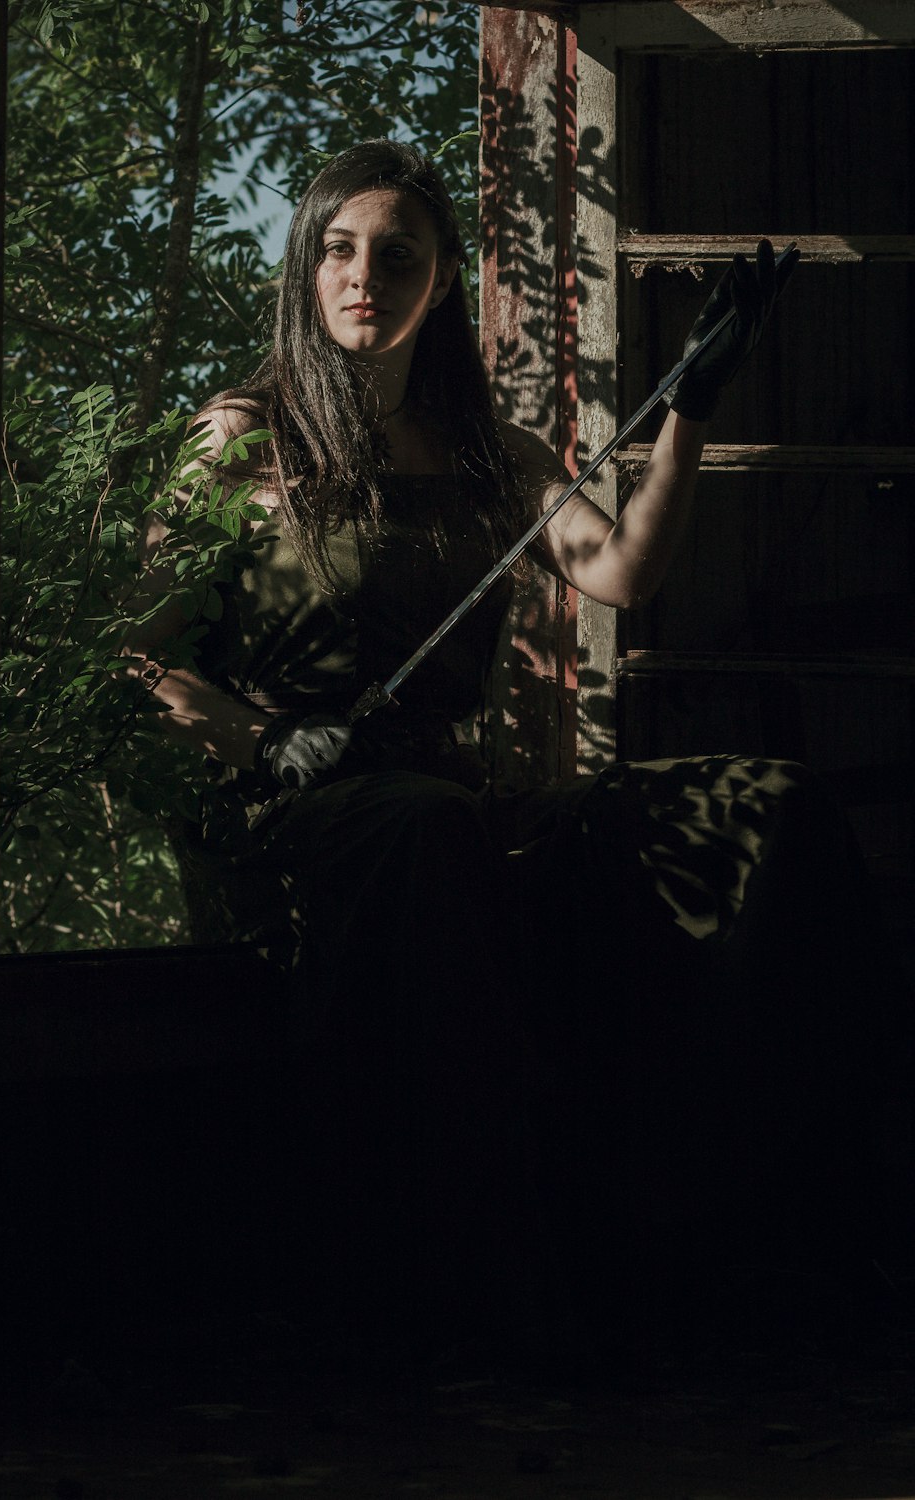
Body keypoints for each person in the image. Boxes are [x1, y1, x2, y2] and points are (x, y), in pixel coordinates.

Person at [124, 140, 906, 1367]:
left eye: (398, 254)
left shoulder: (490, 451)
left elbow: (621, 571)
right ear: (305, 268)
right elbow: (139, 661)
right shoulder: (240, 440)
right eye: (338, 249)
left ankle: (786, 1230)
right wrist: (266, 741)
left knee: (766, 803)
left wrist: (690, 407)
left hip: (457, 799)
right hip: (290, 814)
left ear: (439, 284)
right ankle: (486, 1289)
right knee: (428, 830)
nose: (363, 275)